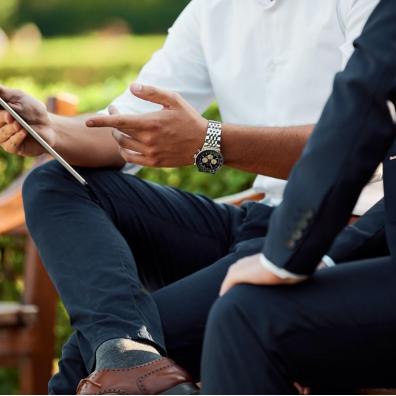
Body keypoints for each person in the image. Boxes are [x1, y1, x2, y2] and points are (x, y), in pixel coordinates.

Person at [0, 0, 382, 394]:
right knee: (51, 183)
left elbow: (358, 143)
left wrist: (210, 141)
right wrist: (49, 128)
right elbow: (128, 126)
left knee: (85, 363)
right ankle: (128, 353)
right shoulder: (212, 8)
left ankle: (127, 357)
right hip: (257, 222)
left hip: (342, 231)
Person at [200, 0, 396, 393]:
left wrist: (283, 258)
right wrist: (322, 257)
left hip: (286, 231)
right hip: (267, 226)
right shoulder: (208, 12)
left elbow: (364, 102)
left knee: (246, 317)